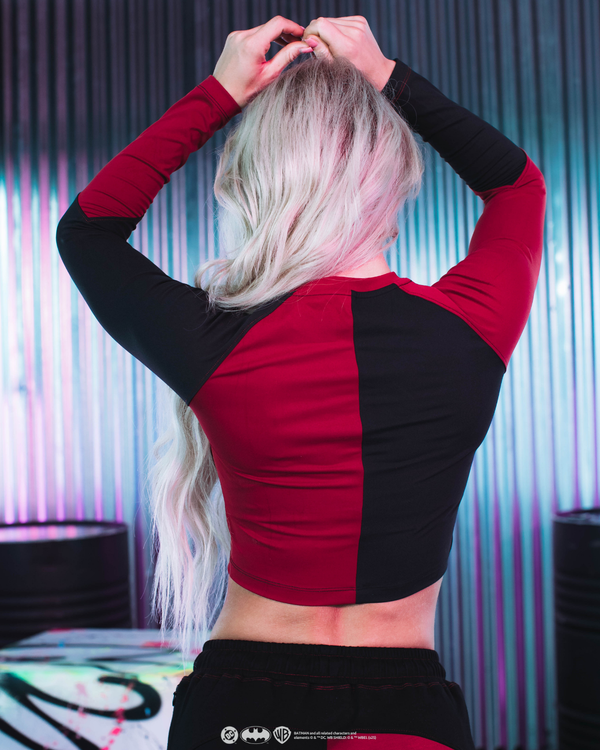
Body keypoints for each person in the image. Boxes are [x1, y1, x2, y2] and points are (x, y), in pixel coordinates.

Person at [55, 14, 546, 750]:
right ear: (395, 183)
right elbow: (516, 186)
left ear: (252, 183)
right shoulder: (469, 329)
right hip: (406, 716)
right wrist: (388, 77)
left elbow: (88, 230)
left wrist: (219, 93)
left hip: (240, 707)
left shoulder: (214, 340)